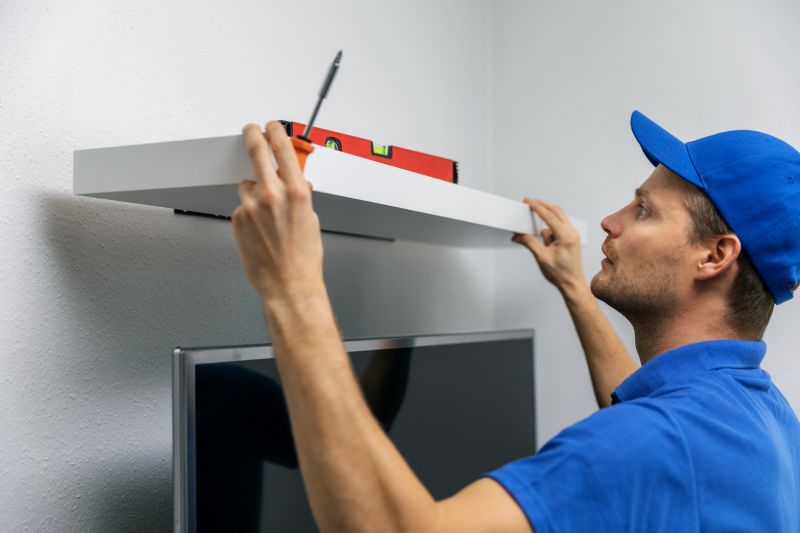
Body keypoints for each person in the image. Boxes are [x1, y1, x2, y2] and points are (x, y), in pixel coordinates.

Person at [231, 110, 800, 532]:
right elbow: (649, 413)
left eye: (644, 209)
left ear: (715, 256)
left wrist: (293, 287)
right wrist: (575, 288)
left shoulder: (654, 443)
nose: (610, 220)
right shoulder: (757, 411)